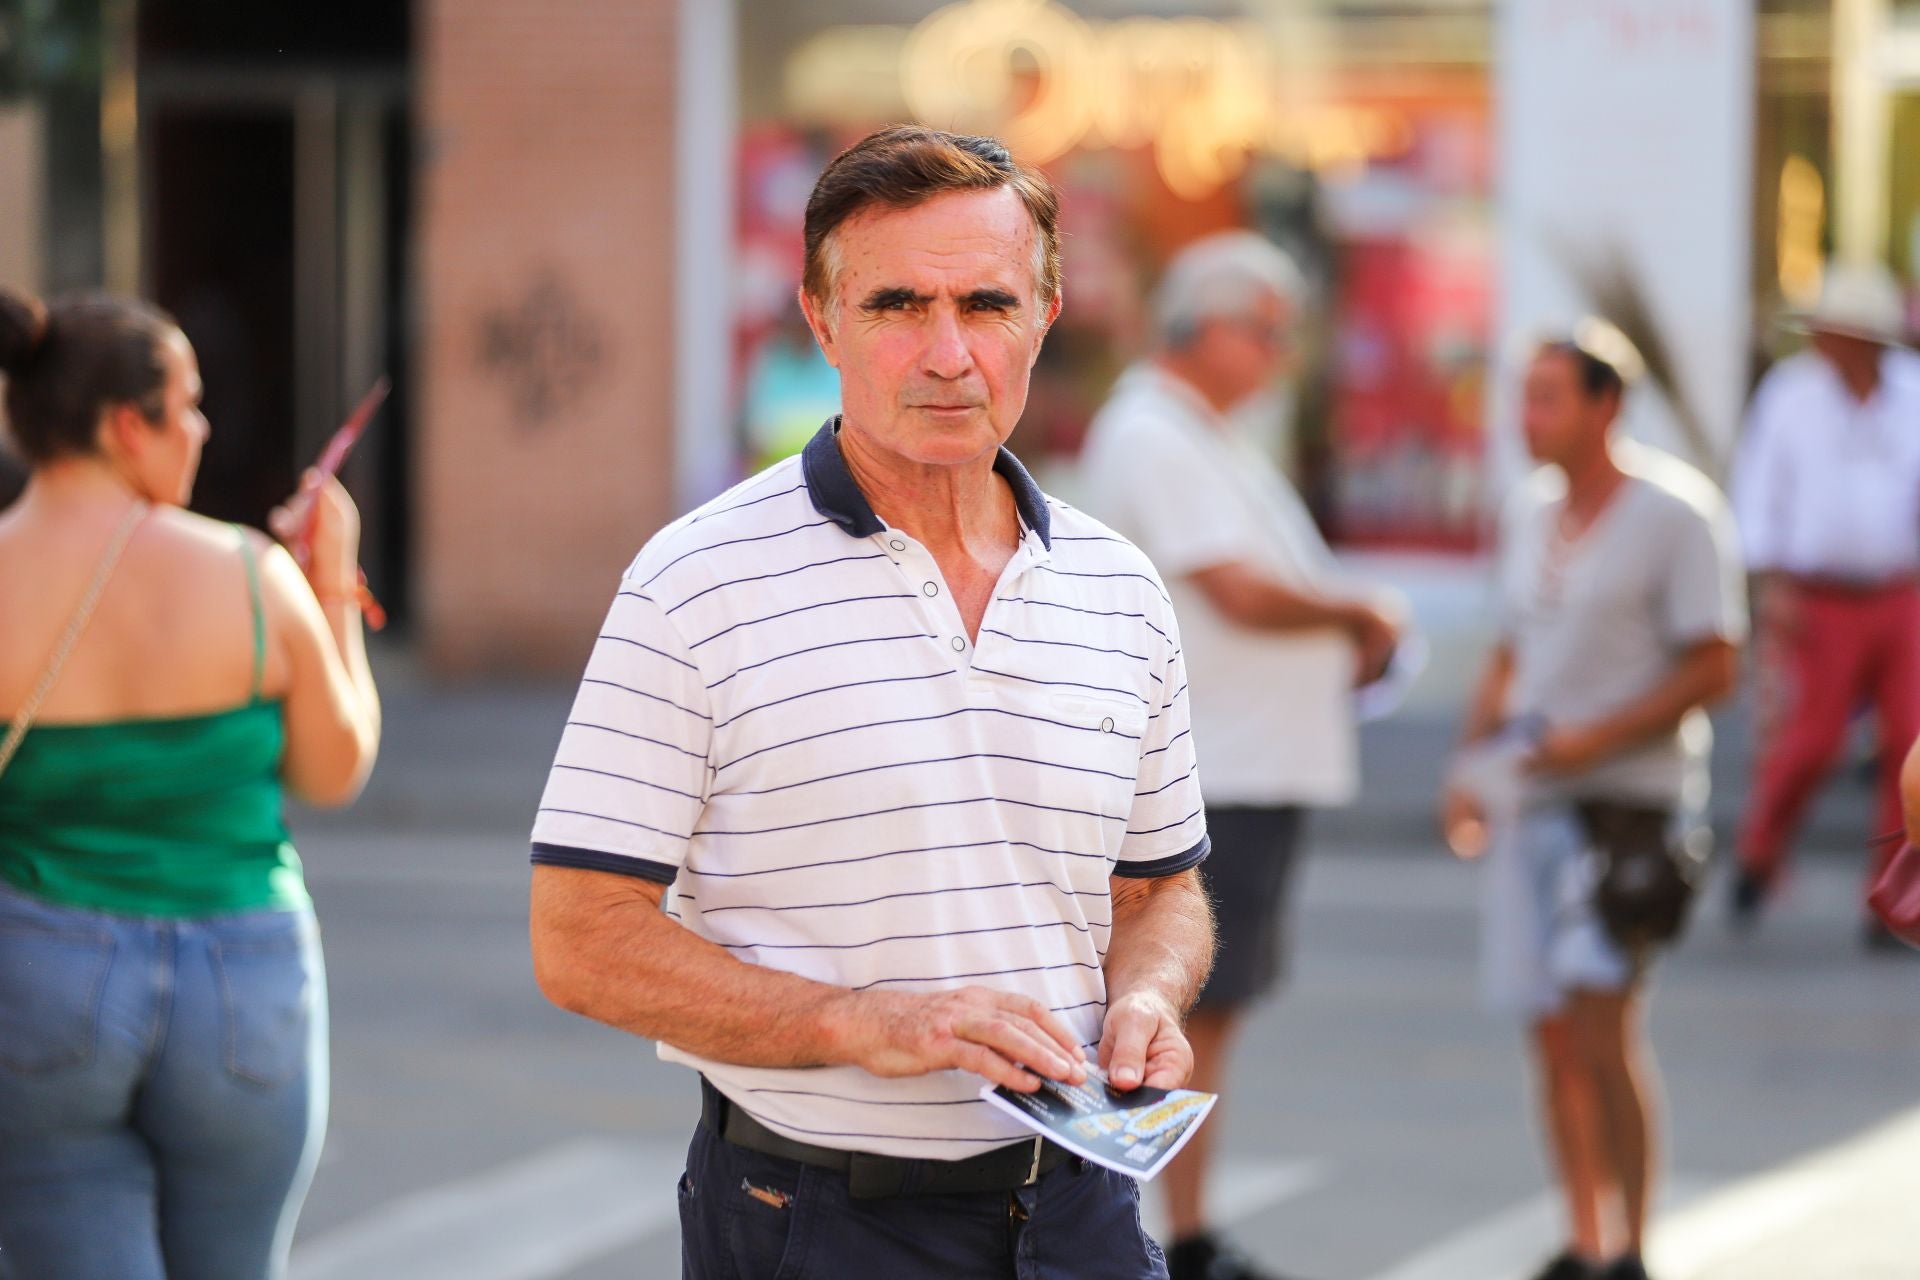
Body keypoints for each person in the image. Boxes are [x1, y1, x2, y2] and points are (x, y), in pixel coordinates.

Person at [528, 125, 1214, 1279]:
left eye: (987, 305)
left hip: (1083, 1214)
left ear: (1045, 313)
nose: (947, 353)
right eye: (899, 304)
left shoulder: (1121, 588)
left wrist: (1147, 992)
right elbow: (578, 938)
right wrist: (864, 1020)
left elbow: (1162, 889)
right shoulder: (697, 582)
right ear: (821, 317)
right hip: (819, 1219)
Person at [0, 288, 381, 1280]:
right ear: (131, 424)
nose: (203, 426)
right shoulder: (252, 573)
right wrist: (331, 580)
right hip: (243, 977)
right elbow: (333, 768)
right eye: (190, 402)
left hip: (37, 974)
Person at [1079, 232, 1402, 1280]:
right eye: (1266, 330)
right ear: (1205, 328)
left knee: (1197, 1015)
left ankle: (1178, 1227)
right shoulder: (1156, 429)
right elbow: (1232, 583)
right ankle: (1161, 1232)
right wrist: (1358, 609)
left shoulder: (1195, 428)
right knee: (1176, 1013)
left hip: (1244, 763)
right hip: (1218, 768)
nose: (1281, 351)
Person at [1441, 323, 1745, 1280]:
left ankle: (1635, 1247)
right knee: (1549, 1036)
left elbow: (1716, 665)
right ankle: (1584, 1235)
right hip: (1532, 800)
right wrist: (1469, 767)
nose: (1526, 418)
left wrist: (1597, 737)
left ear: (1606, 405)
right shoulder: (1530, 511)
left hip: (1628, 810)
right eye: (1522, 395)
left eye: (1547, 397)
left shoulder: (1676, 514)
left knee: (1603, 1029)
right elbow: (1506, 653)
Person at [1726, 262, 1920, 947]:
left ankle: (1893, 896)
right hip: (1817, 596)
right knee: (1810, 742)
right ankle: (1758, 852)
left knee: (1910, 747)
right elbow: (1757, 490)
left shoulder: (1911, 397)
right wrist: (1768, 582)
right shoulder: (1790, 396)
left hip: (1900, 594)